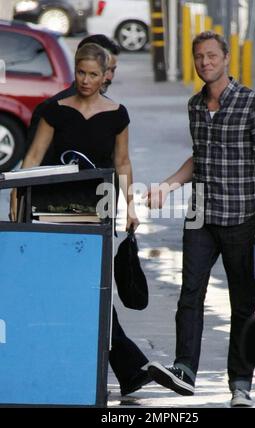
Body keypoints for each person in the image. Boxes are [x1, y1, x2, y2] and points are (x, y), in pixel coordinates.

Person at [145, 31, 255, 407]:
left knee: (243, 305)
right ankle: (184, 370)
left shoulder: (254, 104)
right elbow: (199, 157)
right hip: (200, 217)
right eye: (198, 57)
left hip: (242, 218)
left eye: (211, 56)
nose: (205, 62)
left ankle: (241, 384)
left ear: (225, 58)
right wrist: (168, 185)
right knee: (190, 294)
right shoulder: (194, 105)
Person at [10, 38, 151, 396]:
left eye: (93, 74)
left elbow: (123, 162)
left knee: (95, 287)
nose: (85, 80)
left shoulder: (118, 114)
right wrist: (15, 198)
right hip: (53, 211)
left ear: (106, 76)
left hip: (98, 213)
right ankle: (123, 366)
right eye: (80, 72)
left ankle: (125, 367)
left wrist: (132, 206)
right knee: (71, 288)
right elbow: (33, 158)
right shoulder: (55, 109)